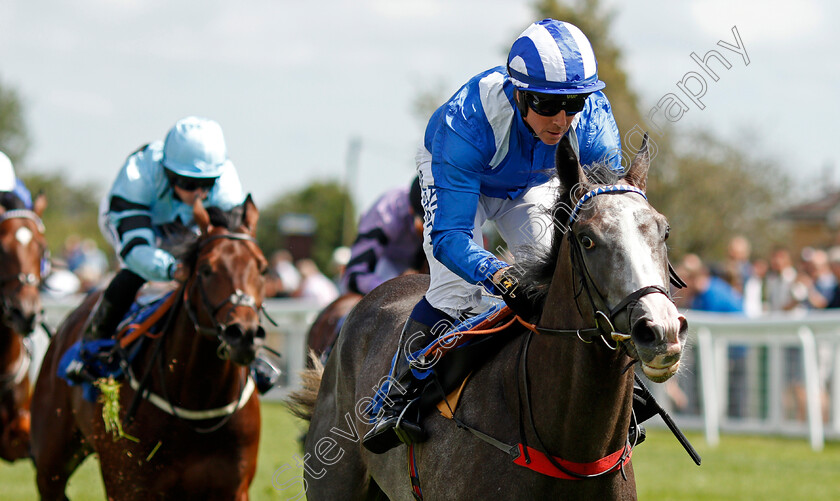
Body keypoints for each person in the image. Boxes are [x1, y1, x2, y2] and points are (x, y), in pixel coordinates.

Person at [364, 19, 624, 452]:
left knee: (560, 276)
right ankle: (395, 394)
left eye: (574, 103)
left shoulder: (594, 119)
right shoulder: (466, 123)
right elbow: (450, 239)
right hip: (465, 185)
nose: (561, 120)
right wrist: (499, 276)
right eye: (546, 103)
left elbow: (607, 212)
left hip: (529, 184)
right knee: (456, 288)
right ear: (520, 93)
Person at [64, 116, 278, 392]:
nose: (199, 192)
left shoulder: (226, 182)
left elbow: (233, 250)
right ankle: (93, 347)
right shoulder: (137, 175)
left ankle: (250, 349)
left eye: (207, 183)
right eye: (188, 183)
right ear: (168, 172)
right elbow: (135, 250)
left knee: (227, 270)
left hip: (185, 226)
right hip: (138, 222)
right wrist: (173, 270)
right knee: (135, 273)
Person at [340, 176, 425, 295]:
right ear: (411, 210)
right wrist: (392, 291)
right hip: (384, 266)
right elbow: (354, 274)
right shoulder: (386, 210)